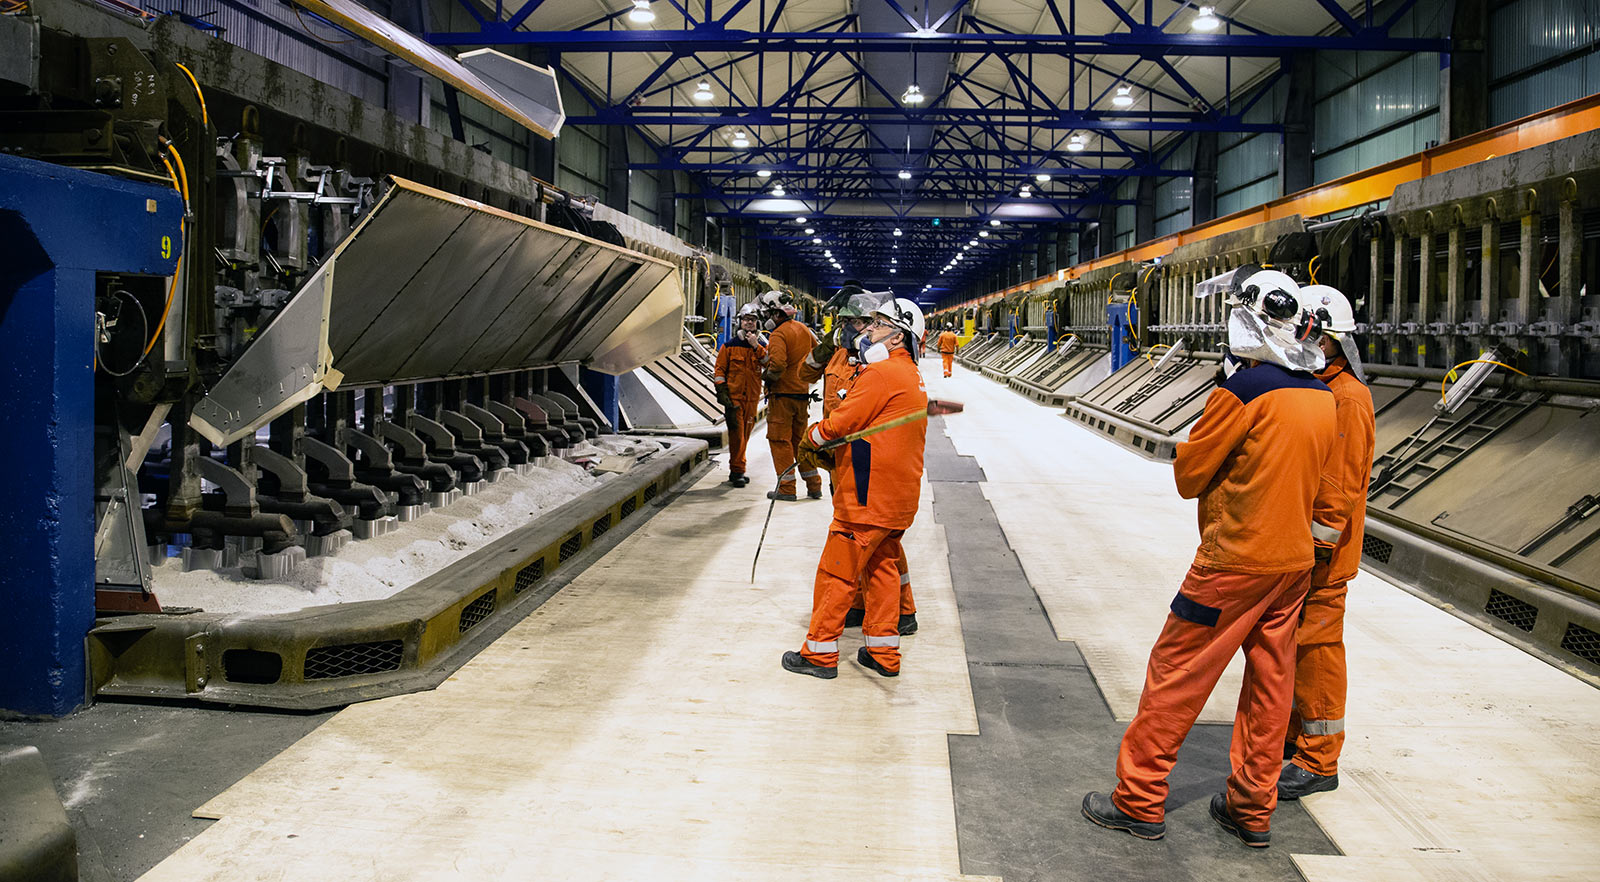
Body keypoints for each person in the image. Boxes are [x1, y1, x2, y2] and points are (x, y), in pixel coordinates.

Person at [1082, 269, 1340, 848]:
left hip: (1232, 566)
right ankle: (1252, 809)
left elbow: (1189, 475)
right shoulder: (1324, 398)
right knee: (1271, 688)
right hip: (1292, 567)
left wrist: (1218, 407)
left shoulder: (1242, 391)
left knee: (1176, 673)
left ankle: (1138, 800)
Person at [782, 298, 928, 680]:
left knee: (837, 573)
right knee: (881, 570)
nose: (868, 331)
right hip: (896, 497)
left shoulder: (882, 375)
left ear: (898, 336)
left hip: (866, 497)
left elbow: (839, 424)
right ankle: (883, 654)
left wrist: (811, 439)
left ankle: (819, 655)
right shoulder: (909, 373)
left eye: (878, 326)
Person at [1280, 285, 1375, 801]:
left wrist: (1317, 549)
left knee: (1317, 647)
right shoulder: (1316, 387)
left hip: (1325, 554)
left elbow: (1338, 485)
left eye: (1308, 331)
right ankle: (1295, 741)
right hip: (1301, 547)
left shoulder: (1347, 397)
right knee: (1295, 645)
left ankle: (1319, 759)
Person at [801, 287, 919, 636]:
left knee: (865, 545)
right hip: (844, 461)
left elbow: (850, 417)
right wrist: (824, 345)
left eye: (865, 323)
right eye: (850, 322)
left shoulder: (880, 367)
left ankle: (902, 611)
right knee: (869, 549)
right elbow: (803, 374)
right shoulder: (838, 356)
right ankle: (860, 609)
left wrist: (815, 437)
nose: (859, 329)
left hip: (866, 464)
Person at [760, 290, 823, 501]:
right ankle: (814, 485)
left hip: (782, 397)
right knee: (800, 441)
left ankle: (787, 488)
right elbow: (817, 356)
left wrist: (767, 378)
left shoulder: (778, 334)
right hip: (801, 395)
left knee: (779, 440)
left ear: (777, 313)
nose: (768, 318)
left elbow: (777, 365)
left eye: (770, 313)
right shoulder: (804, 329)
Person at [714, 302, 768, 487]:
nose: (749, 323)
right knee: (737, 436)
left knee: (745, 434)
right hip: (734, 399)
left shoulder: (760, 346)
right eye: (746, 320)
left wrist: (756, 347)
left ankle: (737, 469)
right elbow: (719, 370)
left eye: (752, 320)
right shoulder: (729, 347)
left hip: (752, 398)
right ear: (740, 322)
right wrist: (722, 391)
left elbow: (768, 363)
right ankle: (737, 471)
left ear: (757, 324)